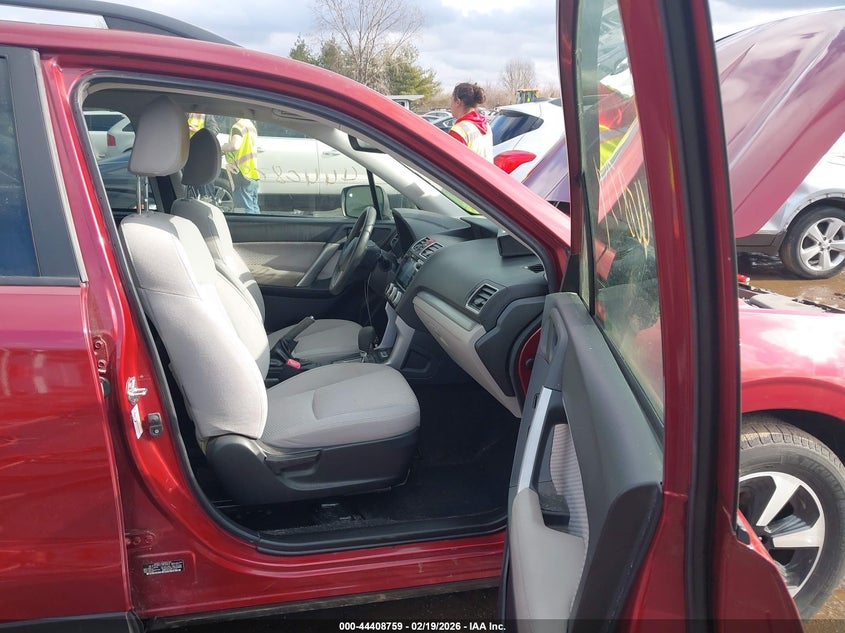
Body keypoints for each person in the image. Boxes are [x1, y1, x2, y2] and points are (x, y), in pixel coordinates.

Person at [221, 118, 260, 214]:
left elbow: (235, 145)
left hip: (240, 173)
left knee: (245, 210)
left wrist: (223, 147)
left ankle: (249, 229)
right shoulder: (250, 125)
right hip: (252, 173)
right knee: (254, 209)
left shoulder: (238, 126)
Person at [448, 82, 493, 160]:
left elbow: (451, 164)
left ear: (458, 102)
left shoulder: (459, 131)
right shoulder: (486, 125)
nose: (450, 105)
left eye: (451, 100)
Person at [186, 113, 221, 199]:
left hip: (201, 158)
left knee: (205, 194)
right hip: (186, 156)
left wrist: (197, 131)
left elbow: (213, 131)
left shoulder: (205, 114)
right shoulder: (184, 111)